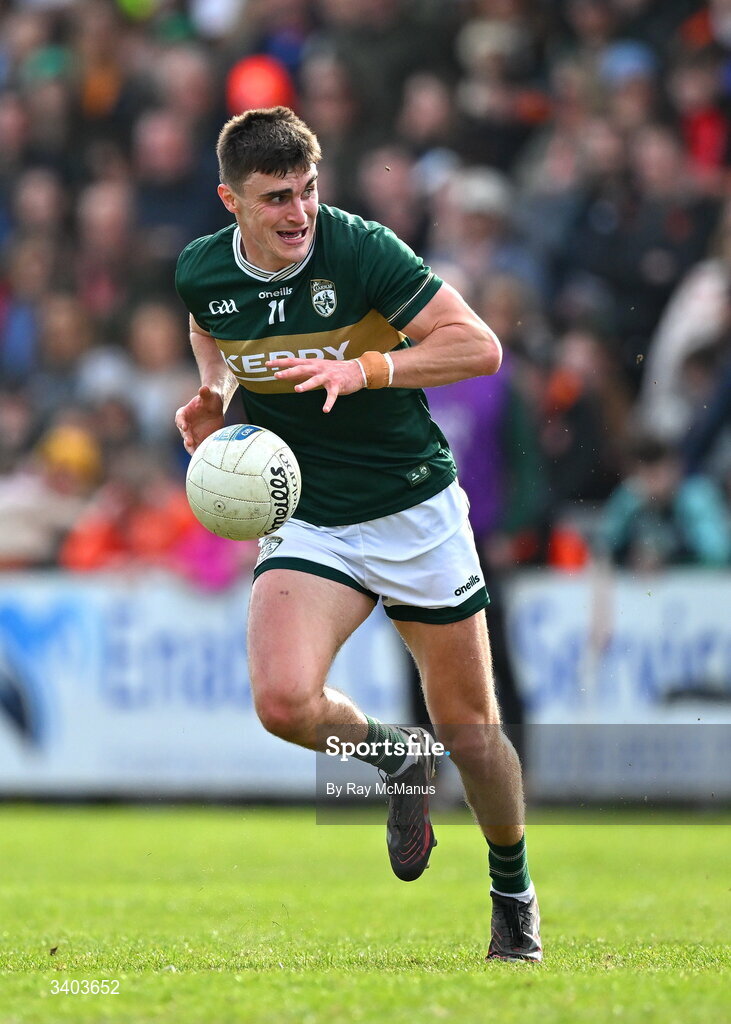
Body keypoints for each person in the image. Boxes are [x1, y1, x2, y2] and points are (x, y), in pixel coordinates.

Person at [174, 106, 541, 962]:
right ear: (230, 200)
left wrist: (365, 367)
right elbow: (212, 328)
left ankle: (512, 889)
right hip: (307, 512)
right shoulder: (198, 272)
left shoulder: (362, 249)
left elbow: (478, 347)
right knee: (283, 704)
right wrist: (214, 393)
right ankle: (396, 759)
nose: (297, 212)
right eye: (274, 198)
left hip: (412, 507)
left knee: (474, 731)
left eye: (306, 189)